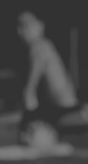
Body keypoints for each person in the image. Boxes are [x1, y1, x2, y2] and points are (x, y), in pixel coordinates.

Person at [16, 10, 84, 142]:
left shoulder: (39, 47)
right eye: (20, 26)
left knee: (27, 136)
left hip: (66, 117)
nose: (22, 31)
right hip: (73, 115)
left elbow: (29, 94)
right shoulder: (46, 45)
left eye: (27, 24)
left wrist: (25, 125)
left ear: (41, 25)